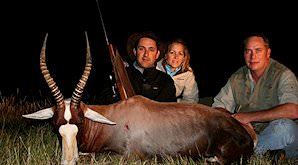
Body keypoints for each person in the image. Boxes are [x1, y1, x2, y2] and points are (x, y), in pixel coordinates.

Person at [211, 32, 298, 159]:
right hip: (249, 135)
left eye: (258, 50)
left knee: (284, 127)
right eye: (248, 51)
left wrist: (248, 117)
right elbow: (218, 107)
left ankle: (242, 156)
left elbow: (293, 110)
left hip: (277, 134)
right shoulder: (237, 77)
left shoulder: (283, 74)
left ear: (268, 53)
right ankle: (266, 155)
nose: (253, 56)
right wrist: (236, 120)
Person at [125, 31, 177, 102]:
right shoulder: (121, 75)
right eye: (141, 49)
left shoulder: (166, 81)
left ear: (157, 54)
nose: (146, 54)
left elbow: (170, 110)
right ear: (135, 51)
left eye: (151, 50)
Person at [156, 38, 199, 103]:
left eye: (180, 53)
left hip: (174, 106)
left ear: (184, 57)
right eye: (172, 52)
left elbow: (191, 99)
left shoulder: (187, 74)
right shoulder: (156, 68)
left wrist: (175, 103)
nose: (176, 57)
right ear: (166, 55)